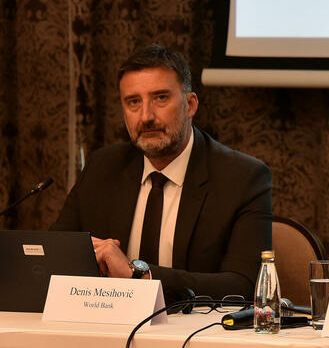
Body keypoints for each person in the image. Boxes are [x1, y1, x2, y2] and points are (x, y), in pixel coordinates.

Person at [52, 44, 272, 303]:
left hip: (194, 326)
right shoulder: (103, 167)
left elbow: (245, 285)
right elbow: (55, 255)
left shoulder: (242, 177)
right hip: (110, 320)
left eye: (160, 98)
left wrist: (139, 275)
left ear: (190, 105)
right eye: (134, 102)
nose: (146, 116)